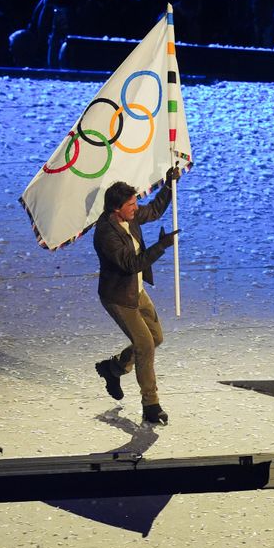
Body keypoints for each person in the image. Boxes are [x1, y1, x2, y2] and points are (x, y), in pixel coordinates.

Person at [93, 166, 181, 425]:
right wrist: (161, 247)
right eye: (131, 204)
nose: (136, 207)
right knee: (144, 346)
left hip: (136, 290)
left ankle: (114, 368)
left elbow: (152, 211)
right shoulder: (106, 233)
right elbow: (131, 264)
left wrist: (168, 186)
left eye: (135, 202)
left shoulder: (129, 216)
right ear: (116, 208)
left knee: (156, 339)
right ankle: (151, 405)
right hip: (119, 298)